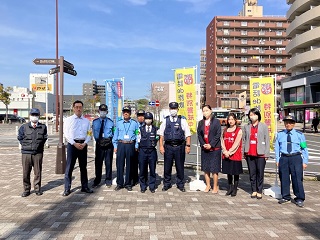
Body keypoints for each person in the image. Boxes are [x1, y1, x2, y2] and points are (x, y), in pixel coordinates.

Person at [275, 115, 309, 208]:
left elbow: (304, 148)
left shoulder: (299, 135)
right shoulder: (280, 134)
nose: (288, 124)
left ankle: (299, 198)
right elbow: (277, 148)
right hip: (284, 158)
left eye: (290, 123)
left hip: (296, 158)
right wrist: (277, 159)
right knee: (284, 178)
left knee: (297, 179)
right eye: (286, 122)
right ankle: (285, 197)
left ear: (294, 124)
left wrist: (305, 161)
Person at [159, 102, 191, 192]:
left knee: (180, 166)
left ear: (178, 109)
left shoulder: (182, 120)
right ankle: (167, 184)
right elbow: (161, 135)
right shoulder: (165, 120)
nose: (173, 110)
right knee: (167, 167)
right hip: (168, 146)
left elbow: (188, 134)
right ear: (169, 109)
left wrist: (188, 146)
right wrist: (161, 146)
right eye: (171, 108)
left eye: (175, 108)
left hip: (179, 146)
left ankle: (180, 184)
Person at [63, 100, 93, 196]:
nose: (78, 109)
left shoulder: (86, 121)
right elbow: (66, 134)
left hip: (83, 145)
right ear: (73, 108)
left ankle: (85, 186)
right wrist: (73, 143)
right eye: (76, 107)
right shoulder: (68, 120)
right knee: (69, 167)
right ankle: (67, 188)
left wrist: (85, 142)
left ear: (82, 108)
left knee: (83, 167)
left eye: (80, 107)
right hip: (72, 145)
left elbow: (89, 133)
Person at [17, 108, 47, 197]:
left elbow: (44, 137)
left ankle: (37, 188)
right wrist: (25, 145)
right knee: (26, 172)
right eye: (33, 115)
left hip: (38, 153)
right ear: (30, 116)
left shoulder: (43, 127)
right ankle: (26, 189)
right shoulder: (24, 127)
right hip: (26, 153)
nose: (34, 117)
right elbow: (20, 137)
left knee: (37, 172)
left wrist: (39, 146)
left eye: (36, 115)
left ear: (39, 116)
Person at [243, 108, 270, 199]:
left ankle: (259, 190)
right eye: (250, 115)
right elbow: (244, 140)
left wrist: (266, 154)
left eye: (254, 114)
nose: (252, 116)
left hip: (261, 153)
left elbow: (267, 140)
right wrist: (244, 152)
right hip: (249, 153)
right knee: (252, 173)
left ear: (258, 115)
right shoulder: (246, 127)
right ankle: (253, 190)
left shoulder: (263, 126)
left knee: (260, 172)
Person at [112, 106, 139, 191]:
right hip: (121, 144)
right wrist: (115, 146)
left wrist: (136, 145)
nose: (126, 113)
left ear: (130, 113)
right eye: (124, 112)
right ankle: (119, 183)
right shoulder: (119, 123)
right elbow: (115, 135)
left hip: (130, 145)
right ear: (123, 113)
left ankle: (128, 183)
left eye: (127, 112)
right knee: (119, 164)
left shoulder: (135, 123)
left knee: (130, 164)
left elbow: (138, 135)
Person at [197, 105, 221, 193]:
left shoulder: (216, 122)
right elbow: (199, 135)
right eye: (203, 111)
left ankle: (215, 186)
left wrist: (211, 144)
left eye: (207, 110)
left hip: (215, 148)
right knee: (206, 168)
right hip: (205, 148)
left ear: (211, 111)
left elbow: (218, 134)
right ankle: (208, 185)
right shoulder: (200, 123)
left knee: (214, 169)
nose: (205, 112)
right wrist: (203, 144)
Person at [92, 104, 114, 188]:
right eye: (101, 111)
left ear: (107, 112)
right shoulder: (95, 122)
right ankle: (97, 180)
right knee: (98, 163)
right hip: (99, 145)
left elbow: (113, 133)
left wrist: (109, 140)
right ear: (99, 111)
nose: (103, 112)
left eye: (104, 111)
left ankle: (108, 180)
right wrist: (99, 141)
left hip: (108, 145)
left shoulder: (110, 122)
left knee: (108, 163)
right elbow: (94, 133)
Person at [221, 113, 243, 197]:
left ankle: (235, 188)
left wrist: (229, 152)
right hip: (226, 153)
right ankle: (229, 187)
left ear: (235, 120)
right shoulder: (225, 130)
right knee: (228, 172)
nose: (230, 121)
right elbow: (222, 141)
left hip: (234, 154)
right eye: (229, 119)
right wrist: (225, 151)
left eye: (232, 119)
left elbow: (237, 143)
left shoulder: (239, 130)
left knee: (235, 172)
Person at [138, 112, 158, 193]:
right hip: (142, 151)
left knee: (152, 170)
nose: (148, 120)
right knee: (142, 170)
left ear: (152, 120)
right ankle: (143, 186)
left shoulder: (156, 129)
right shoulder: (140, 129)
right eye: (146, 118)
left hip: (152, 151)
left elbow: (158, 138)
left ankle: (152, 186)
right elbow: (138, 139)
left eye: (149, 119)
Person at [132, 109, 145, 186]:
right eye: (139, 116)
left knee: (143, 164)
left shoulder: (147, 125)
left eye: (142, 116)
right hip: (135, 147)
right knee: (134, 163)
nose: (141, 118)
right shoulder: (134, 124)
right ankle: (134, 178)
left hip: (143, 147)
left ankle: (143, 178)